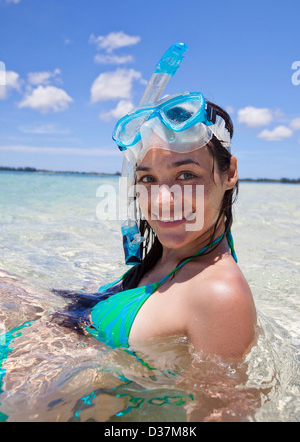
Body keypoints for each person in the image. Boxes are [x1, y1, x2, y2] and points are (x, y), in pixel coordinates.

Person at [81, 44, 257, 359]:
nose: (162, 202)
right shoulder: (168, 256)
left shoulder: (219, 295)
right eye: (147, 179)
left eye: (186, 175)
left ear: (229, 173)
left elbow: (221, 408)